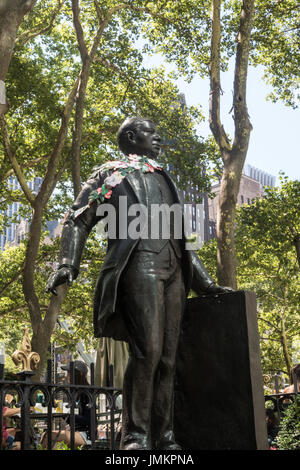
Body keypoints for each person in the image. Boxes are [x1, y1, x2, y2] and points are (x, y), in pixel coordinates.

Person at [46, 117, 232, 450]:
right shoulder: (109, 173)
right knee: (147, 352)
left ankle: (165, 437)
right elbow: (78, 218)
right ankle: (136, 436)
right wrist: (67, 263)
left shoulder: (164, 176)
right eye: (150, 132)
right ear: (131, 137)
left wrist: (202, 282)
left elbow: (182, 235)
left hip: (175, 268)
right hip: (138, 263)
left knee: (168, 358)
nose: (158, 136)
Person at [40, 360, 94, 449]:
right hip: (75, 432)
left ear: (79, 374)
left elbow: (89, 420)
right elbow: (72, 419)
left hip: (85, 435)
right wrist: (63, 412)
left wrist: (68, 415)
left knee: (47, 436)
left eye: (70, 373)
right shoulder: (74, 392)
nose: (67, 375)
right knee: (46, 436)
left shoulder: (87, 393)